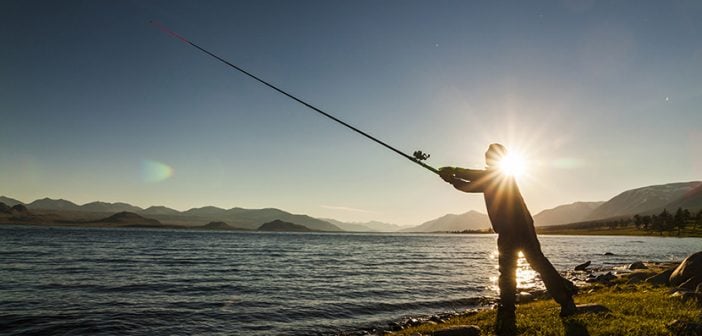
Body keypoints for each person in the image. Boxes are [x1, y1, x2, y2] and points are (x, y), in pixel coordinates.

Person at [438, 143, 577, 335]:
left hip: (518, 229)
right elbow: (473, 183)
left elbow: (473, 181)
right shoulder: (494, 176)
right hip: (513, 229)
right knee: (519, 269)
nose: (488, 161)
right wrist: (453, 179)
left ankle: (556, 301)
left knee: (524, 268)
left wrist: (453, 174)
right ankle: (516, 313)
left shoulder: (501, 175)